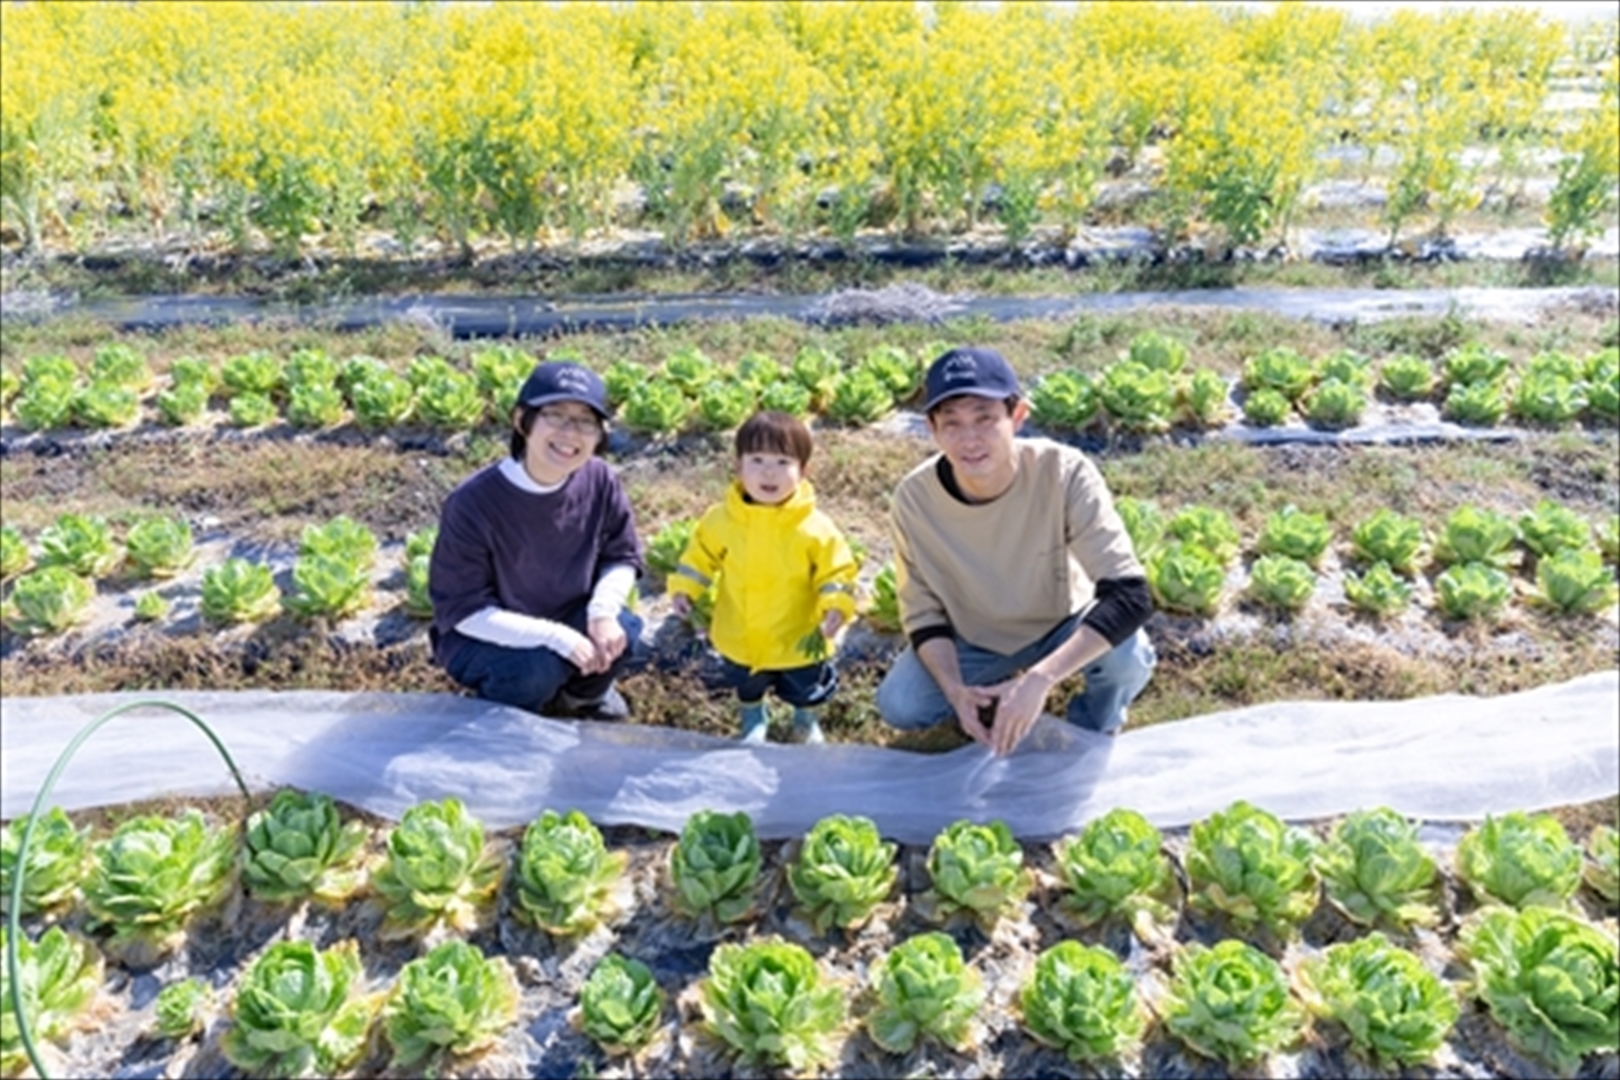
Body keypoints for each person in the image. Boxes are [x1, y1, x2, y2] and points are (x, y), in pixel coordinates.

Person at [876, 346, 1156, 756]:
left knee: (1128, 656)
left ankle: (1095, 722)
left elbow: (1131, 594)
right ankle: (981, 705)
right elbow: (922, 613)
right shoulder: (914, 499)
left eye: (985, 419)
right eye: (951, 423)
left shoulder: (1064, 471)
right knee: (902, 705)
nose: (969, 439)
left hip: (1063, 621)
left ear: (1018, 417)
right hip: (976, 634)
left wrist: (1040, 678)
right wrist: (954, 690)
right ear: (932, 429)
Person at [429, 360, 644, 719]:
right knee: (534, 670)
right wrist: (558, 638)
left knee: (624, 630)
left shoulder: (599, 479)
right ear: (521, 420)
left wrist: (602, 614)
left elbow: (622, 556)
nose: (570, 433)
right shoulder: (473, 503)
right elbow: (466, 612)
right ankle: (506, 713)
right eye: (555, 415)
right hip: (482, 634)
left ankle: (578, 700)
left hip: (565, 612)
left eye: (585, 421)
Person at [668, 410, 859, 744]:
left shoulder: (815, 528)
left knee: (805, 682)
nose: (769, 472)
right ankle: (753, 715)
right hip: (741, 630)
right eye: (757, 460)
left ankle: (805, 718)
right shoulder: (721, 520)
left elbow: (837, 570)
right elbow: (699, 557)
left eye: (783, 461)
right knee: (746, 680)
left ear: (803, 471)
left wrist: (836, 605)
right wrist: (686, 588)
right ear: (738, 467)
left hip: (798, 633)